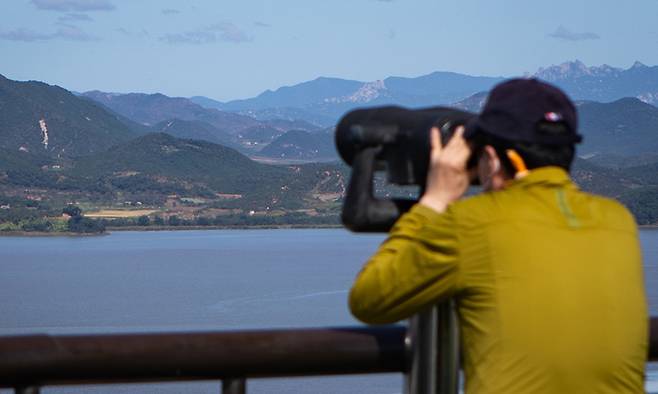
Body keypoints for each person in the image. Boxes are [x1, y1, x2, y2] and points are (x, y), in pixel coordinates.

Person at [349, 79, 648, 393]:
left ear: (490, 159)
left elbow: (369, 299)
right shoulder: (618, 222)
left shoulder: (472, 223)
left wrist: (434, 201)